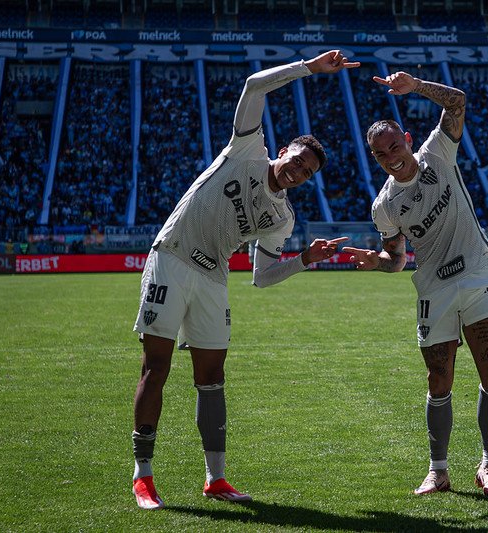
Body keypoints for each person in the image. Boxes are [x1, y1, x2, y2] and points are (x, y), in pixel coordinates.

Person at [130, 50, 359, 510]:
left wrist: (304, 260)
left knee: (212, 376)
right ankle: (144, 476)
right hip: (172, 256)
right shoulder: (247, 149)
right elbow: (254, 85)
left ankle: (216, 479)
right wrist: (308, 69)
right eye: (297, 160)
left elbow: (262, 277)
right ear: (282, 150)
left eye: (307, 172)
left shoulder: (283, 219)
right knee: (157, 366)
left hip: (213, 276)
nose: (299, 171)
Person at [342, 71, 488, 498]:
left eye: (395, 146)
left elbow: (457, 102)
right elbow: (396, 261)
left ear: (409, 138)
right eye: (380, 154)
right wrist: (374, 262)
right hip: (433, 290)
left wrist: (415, 86)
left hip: (475, 275)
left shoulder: (437, 152)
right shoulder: (385, 207)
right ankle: (439, 470)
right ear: (374, 158)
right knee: (439, 378)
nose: (391, 156)